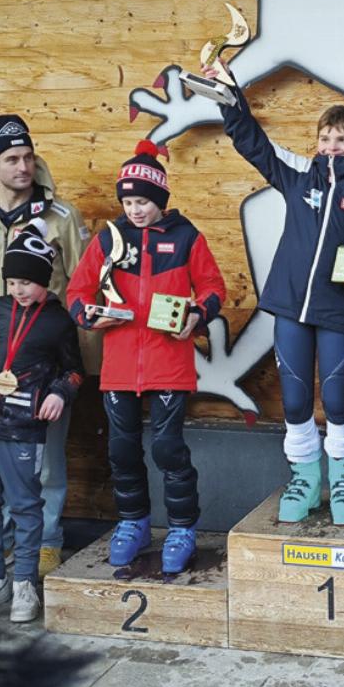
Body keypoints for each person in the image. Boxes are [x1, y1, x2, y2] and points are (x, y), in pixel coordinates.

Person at [203, 64, 344, 526]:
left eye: (342, 140)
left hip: (340, 312)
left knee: (338, 398)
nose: (331, 148)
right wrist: (229, 93)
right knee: (297, 400)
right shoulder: (300, 173)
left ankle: (343, 481)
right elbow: (252, 142)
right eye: (325, 139)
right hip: (290, 309)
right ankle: (305, 480)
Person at [66, 140, 226, 574]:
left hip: (169, 361)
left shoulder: (187, 236)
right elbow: (77, 292)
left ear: (159, 200)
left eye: (143, 201)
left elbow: (213, 288)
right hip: (118, 366)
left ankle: (182, 528)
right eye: (129, 201)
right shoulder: (108, 239)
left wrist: (197, 312)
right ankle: (133, 522)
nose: (135, 209)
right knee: (121, 450)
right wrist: (88, 314)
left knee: (170, 449)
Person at [0, 114, 92, 581]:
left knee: (44, 459)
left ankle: (47, 540)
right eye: (12, 158)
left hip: (42, 361)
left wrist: (81, 364)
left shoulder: (61, 216)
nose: (23, 167)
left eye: (29, 157)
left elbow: (81, 286)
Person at [0, 219, 84, 622]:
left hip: (24, 428)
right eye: (12, 281)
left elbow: (74, 371)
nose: (19, 289)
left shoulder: (59, 320)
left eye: (27, 282)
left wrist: (61, 393)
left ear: (45, 280)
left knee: (26, 506)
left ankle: (25, 582)